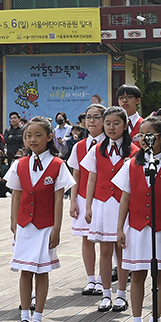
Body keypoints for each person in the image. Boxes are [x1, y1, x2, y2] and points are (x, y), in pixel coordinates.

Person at [114, 116, 161, 322]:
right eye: (141, 135)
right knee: (137, 276)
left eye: (150, 135)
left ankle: (155, 321)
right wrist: (120, 229)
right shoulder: (131, 165)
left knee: (159, 276)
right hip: (136, 227)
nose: (145, 139)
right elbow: (125, 198)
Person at [7, 117, 71, 322]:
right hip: (25, 224)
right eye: (27, 135)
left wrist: (56, 229)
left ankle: (38, 318)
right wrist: (13, 221)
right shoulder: (19, 164)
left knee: (42, 270)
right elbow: (16, 195)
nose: (32, 140)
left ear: (49, 137)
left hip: (45, 224)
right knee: (25, 270)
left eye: (37, 135)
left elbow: (58, 200)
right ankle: (24, 316)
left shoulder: (57, 165)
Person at [82, 106, 132, 312]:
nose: (111, 127)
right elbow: (91, 177)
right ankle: (105, 294)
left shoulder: (134, 151)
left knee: (122, 250)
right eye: (108, 123)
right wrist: (88, 205)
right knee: (104, 250)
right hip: (102, 203)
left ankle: (121, 293)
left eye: (116, 123)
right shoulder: (96, 149)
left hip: (123, 205)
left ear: (125, 125)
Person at [67, 104, 105, 297]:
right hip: (83, 197)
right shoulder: (79, 146)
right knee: (87, 239)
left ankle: (104, 279)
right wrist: (73, 201)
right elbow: (76, 174)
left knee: (108, 240)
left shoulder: (111, 144)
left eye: (96, 117)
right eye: (88, 117)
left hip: (107, 198)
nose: (91, 121)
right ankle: (91, 279)